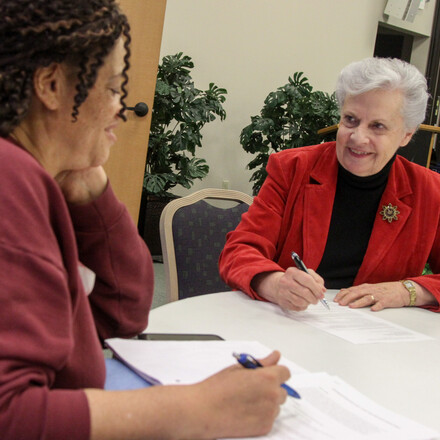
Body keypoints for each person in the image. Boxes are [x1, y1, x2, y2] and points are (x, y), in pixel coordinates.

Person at [0, 1, 290, 439]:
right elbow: (9, 417)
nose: (121, 109)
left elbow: (122, 313)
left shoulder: (34, 174)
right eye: (113, 87)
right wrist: (199, 408)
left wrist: (92, 191)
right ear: (51, 84)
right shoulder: (10, 178)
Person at [219, 57, 440, 313]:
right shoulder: (293, 169)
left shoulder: (430, 191)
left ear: (406, 135)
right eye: (351, 120)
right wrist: (275, 284)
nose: (358, 137)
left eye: (378, 126)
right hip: (289, 321)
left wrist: (406, 291)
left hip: (379, 331)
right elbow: (239, 251)